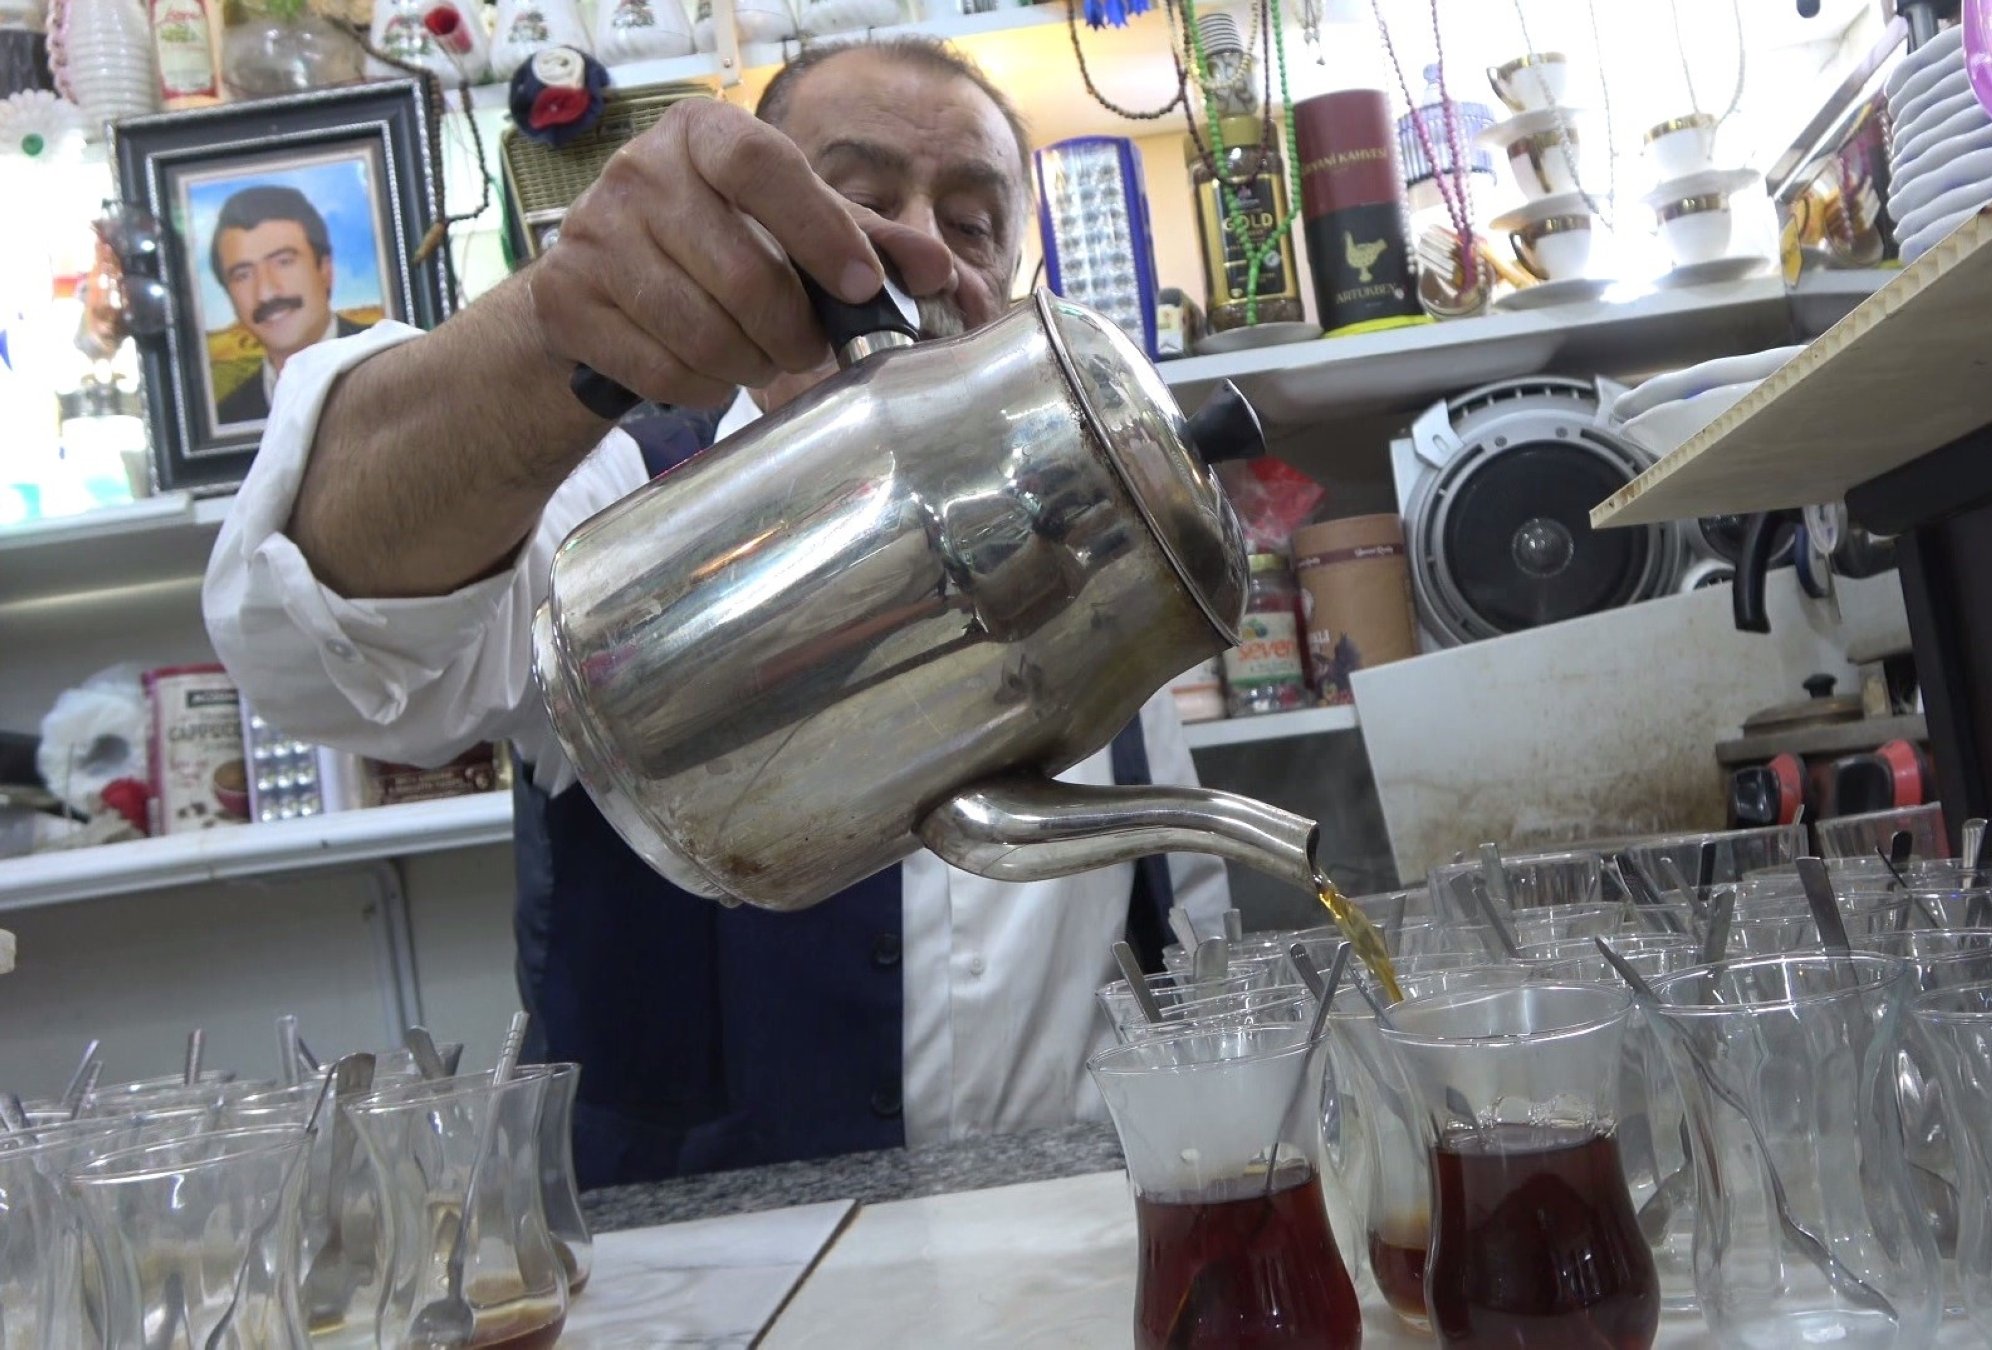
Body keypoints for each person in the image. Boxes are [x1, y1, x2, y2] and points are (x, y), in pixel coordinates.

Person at [203, 36, 1231, 1186]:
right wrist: (561, 332)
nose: (920, 246)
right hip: (707, 1284)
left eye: (974, 220)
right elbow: (308, 650)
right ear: (749, 219)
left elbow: (1187, 946)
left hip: (1058, 1257)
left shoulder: (1112, 569)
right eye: (859, 196)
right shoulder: (613, 502)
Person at [208, 185, 370, 425]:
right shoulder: (228, 417)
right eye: (242, 275)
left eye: (283, 262)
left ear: (325, 270)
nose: (266, 293)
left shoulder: (393, 363)